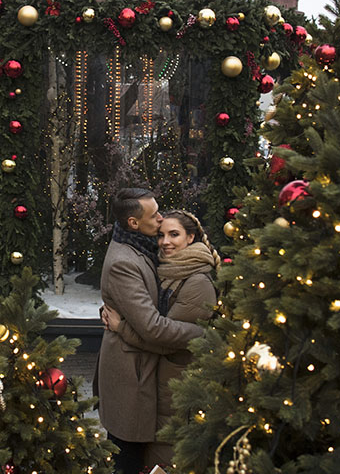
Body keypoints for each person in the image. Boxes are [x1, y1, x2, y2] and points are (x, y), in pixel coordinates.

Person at [96, 189, 205, 474]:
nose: (160, 219)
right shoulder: (125, 261)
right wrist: (203, 336)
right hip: (130, 376)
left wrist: (120, 320)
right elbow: (153, 328)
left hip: (142, 371)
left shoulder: (141, 247)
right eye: (154, 215)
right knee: (127, 458)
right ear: (133, 223)